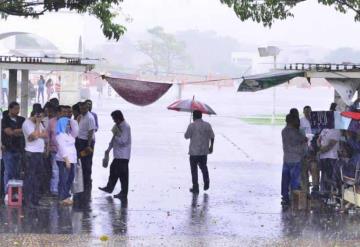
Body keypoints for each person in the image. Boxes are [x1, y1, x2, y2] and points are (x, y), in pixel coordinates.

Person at [99, 110, 131, 200]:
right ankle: (110, 187)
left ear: (118, 118)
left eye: (114, 119)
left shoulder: (126, 127)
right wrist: (108, 149)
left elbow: (123, 141)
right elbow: (113, 139)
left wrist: (116, 135)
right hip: (118, 155)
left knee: (123, 175)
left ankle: (123, 193)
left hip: (123, 155)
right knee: (113, 169)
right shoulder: (117, 126)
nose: (113, 121)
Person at [184, 110, 215, 194]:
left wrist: (189, 127)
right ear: (201, 116)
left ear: (194, 116)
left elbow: (186, 136)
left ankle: (195, 187)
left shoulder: (191, 126)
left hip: (194, 152)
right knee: (203, 167)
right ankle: (206, 181)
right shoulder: (207, 125)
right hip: (203, 152)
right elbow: (212, 136)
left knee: (194, 170)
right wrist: (211, 146)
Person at [22, 107, 47, 207]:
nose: (41, 118)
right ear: (35, 114)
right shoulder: (27, 123)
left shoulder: (40, 123)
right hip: (31, 153)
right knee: (30, 177)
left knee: (38, 177)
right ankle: (28, 201)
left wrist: (37, 133)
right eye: (40, 116)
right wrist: (37, 123)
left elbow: (45, 134)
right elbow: (33, 137)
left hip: (39, 153)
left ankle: (35, 200)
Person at [281, 114, 307, 206]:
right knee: (295, 181)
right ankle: (294, 199)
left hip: (286, 159)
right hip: (296, 159)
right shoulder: (295, 132)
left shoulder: (283, 131)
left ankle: (285, 198)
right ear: (293, 121)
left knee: (285, 180)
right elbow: (303, 140)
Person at [1, 102, 25, 194]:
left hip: (19, 148)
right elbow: (9, 132)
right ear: (10, 109)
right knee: (8, 172)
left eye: (18, 109)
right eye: (15, 109)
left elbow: (24, 132)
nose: (17, 111)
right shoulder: (5, 120)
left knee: (17, 172)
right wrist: (19, 131)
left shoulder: (21, 119)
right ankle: (7, 193)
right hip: (8, 149)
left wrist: (15, 131)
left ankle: (16, 193)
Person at [55, 117, 78, 205]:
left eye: (69, 124)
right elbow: (62, 148)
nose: (68, 126)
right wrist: (66, 160)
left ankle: (66, 195)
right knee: (64, 179)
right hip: (63, 160)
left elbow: (76, 129)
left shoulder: (70, 134)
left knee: (70, 178)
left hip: (72, 159)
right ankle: (62, 197)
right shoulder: (60, 135)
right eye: (67, 124)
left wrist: (72, 121)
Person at [75, 102, 96, 192]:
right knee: (81, 161)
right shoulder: (81, 116)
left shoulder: (90, 118)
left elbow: (91, 132)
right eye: (80, 108)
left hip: (86, 142)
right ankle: (82, 182)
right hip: (80, 141)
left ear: (87, 108)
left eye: (83, 108)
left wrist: (88, 145)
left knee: (87, 163)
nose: (82, 110)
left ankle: (87, 183)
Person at [299, 106, 319, 192]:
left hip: (314, 149)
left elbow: (318, 133)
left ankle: (315, 188)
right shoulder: (301, 121)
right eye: (306, 112)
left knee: (314, 168)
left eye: (309, 112)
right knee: (304, 170)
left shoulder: (316, 121)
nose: (307, 113)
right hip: (303, 149)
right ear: (303, 112)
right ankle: (305, 187)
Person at [317, 127, 341, 194]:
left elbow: (330, 146)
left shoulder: (336, 130)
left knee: (330, 178)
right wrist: (320, 147)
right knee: (324, 177)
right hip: (323, 157)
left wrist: (320, 150)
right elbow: (318, 140)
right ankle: (324, 194)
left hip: (331, 157)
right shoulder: (324, 129)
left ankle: (330, 195)